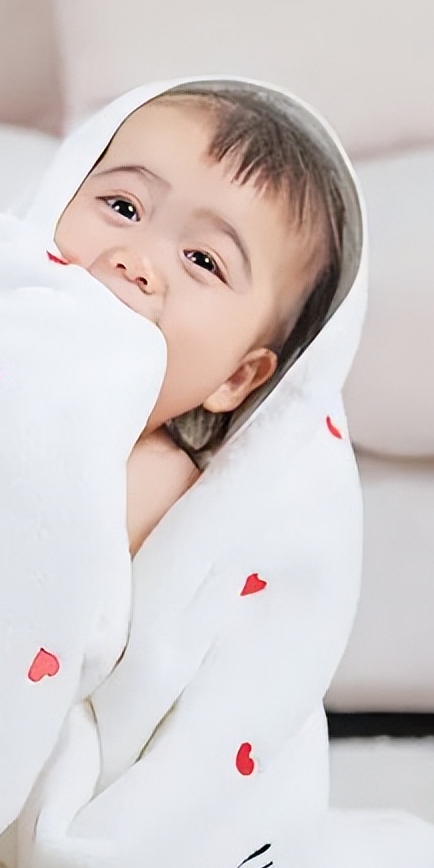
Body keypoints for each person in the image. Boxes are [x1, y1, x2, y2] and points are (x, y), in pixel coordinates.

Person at [51, 87, 345, 555]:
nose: (137, 259)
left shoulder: (169, 500)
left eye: (203, 260)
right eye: (124, 207)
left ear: (235, 378)